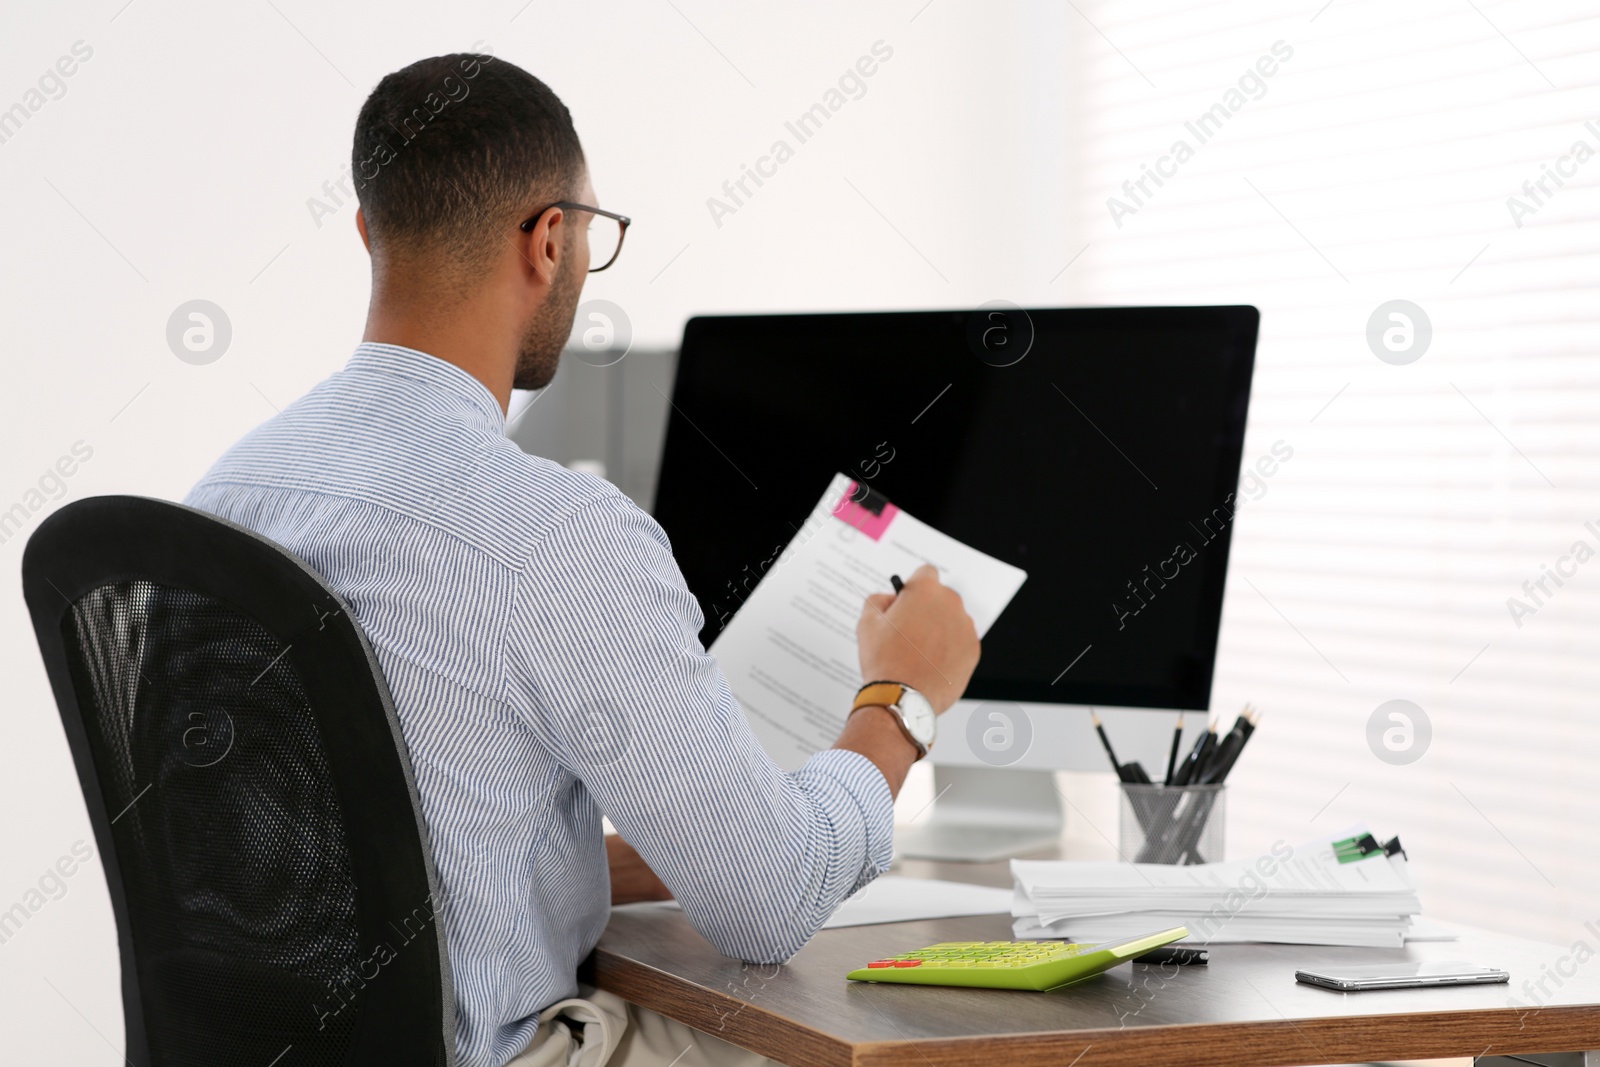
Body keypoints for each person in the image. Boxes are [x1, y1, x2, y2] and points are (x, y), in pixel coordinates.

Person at [185, 51, 979, 1067]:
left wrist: (615, 855)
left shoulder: (232, 490)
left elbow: (341, 847)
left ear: (367, 232)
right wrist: (898, 698)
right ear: (549, 239)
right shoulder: (547, 533)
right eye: (592, 236)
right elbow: (771, 900)